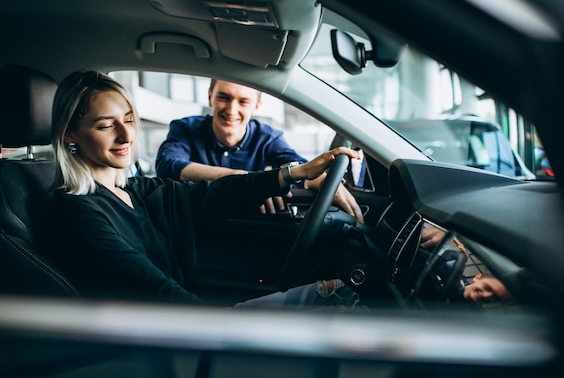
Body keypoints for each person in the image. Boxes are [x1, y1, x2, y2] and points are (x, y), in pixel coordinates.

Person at [44, 70, 362, 309]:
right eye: (105, 125)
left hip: (187, 319)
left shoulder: (135, 190)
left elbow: (212, 195)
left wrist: (297, 172)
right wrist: (216, 325)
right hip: (170, 333)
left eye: (128, 119)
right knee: (335, 301)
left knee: (338, 292)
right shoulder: (81, 212)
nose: (126, 136)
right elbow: (150, 287)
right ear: (70, 133)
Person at [155, 79, 363, 221]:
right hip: (193, 223)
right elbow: (168, 166)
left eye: (243, 101)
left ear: (256, 106)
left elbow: (296, 165)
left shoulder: (268, 137)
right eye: (223, 97)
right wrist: (246, 179)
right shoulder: (185, 128)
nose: (231, 109)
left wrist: (321, 179)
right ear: (210, 96)